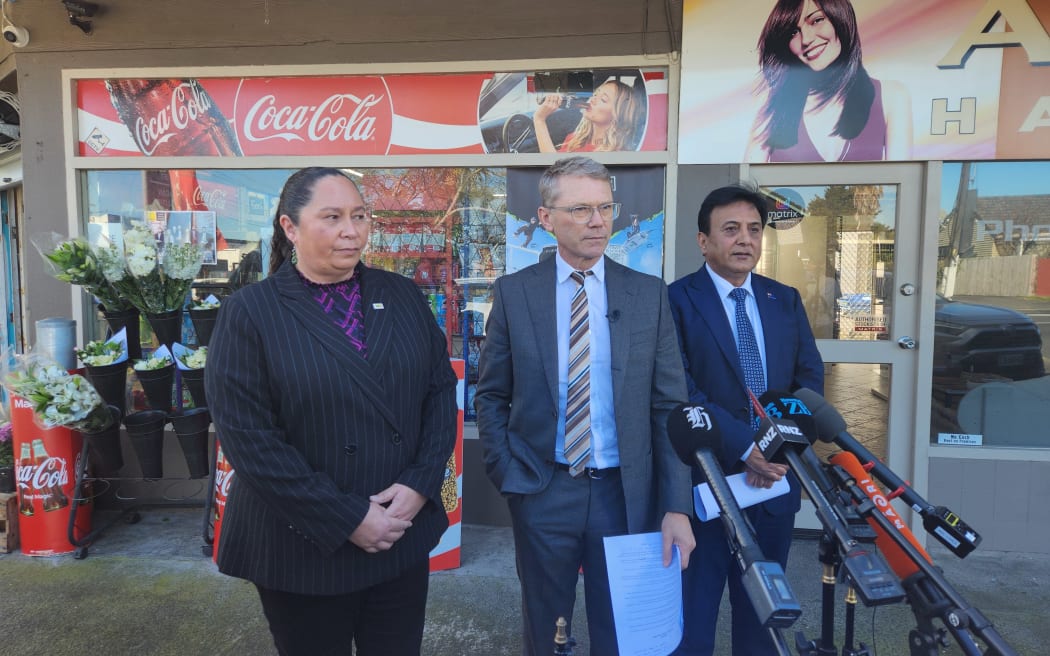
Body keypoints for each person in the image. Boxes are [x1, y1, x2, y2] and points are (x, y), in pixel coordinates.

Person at [204, 167, 458, 656]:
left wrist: (420, 484)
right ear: (290, 228)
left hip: (399, 532)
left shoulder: (401, 295)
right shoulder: (251, 311)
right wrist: (346, 517)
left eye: (360, 216)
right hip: (302, 545)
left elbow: (439, 392)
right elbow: (249, 440)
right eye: (333, 217)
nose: (352, 230)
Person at [475, 156, 695, 655]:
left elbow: (669, 407)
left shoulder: (647, 295)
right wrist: (508, 471)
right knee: (546, 628)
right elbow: (491, 394)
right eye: (580, 209)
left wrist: (675, 504)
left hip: (626, 494)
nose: (598, 221)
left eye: (605, 207)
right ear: (547, 218)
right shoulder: (515, 294)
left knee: (622, 630)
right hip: (543, 485)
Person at [668, 184, 825, 656]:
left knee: (762, 620)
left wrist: (775, 448)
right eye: (731, 229)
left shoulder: (785, 299)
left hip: (773, 484)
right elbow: (682, 391)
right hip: (707, 486)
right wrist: (745, 447)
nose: (745, 240)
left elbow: (807, 379)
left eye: (754, 230)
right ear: (703, 240)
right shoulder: (675, 301)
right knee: (693, 620)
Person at [745, 0, 911, 162]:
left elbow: (903, 183)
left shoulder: (892, 96)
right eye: (793, 32)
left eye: (817, 20)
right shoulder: (770, 102)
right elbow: (747, 182)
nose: (806, 40)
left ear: (841, 17)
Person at [533, 79, 644, 153]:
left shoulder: (616, 153)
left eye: (603, 99)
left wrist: (539, 120)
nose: (593, 99)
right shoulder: (574, 140)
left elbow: (555, 171)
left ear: (617, 115)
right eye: (595, 94)